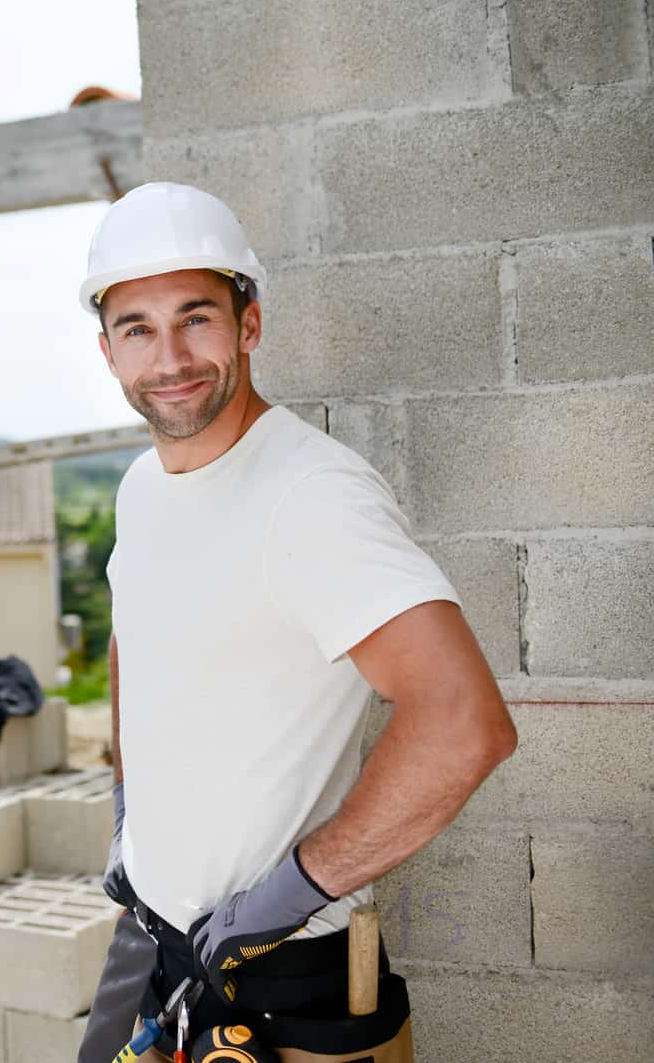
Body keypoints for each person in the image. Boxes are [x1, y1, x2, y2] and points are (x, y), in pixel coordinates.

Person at [72, 183, 518, 1063]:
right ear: (107, 352)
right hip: (163, 950)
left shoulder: (308, 496)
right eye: (138, 329)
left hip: (285, 977)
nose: (169, 357)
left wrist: (291, 892)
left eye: (195, 318)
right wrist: (130, 809)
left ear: (249, 323)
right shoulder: (142, 489)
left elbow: (464, 722)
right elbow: (137, 635)